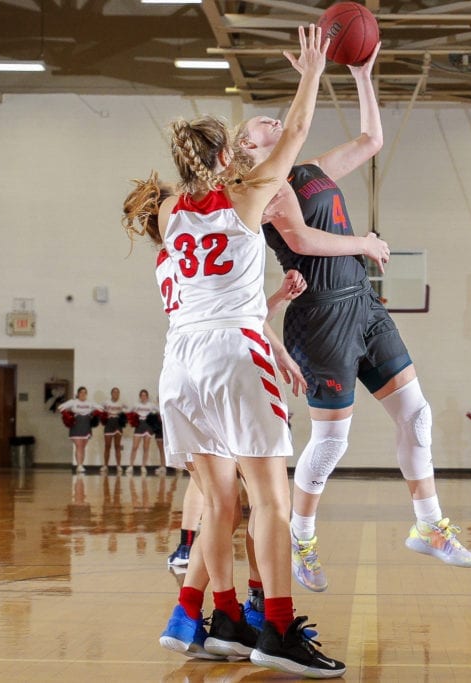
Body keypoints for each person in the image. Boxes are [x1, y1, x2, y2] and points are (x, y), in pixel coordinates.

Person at [125, 25, 345, 677]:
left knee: (218, 503)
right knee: (271, 500)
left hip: (179, 364)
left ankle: (221, 614)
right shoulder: (246, 196)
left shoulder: (167, 218)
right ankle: (276, 626)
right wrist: (311, 71)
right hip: (233, 352)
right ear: (225, 158)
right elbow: (297, 133)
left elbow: (166, 199)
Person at [236, 41, 471, 596]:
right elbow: (299, 238)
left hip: (363, 305)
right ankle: (302, 536)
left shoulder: (311, 168)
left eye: (277, 117)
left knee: (417, 415)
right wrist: (364, 243)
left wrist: (362, 75)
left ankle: (428, 525)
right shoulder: (263, 186)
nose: (275, 120)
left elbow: (373, 140)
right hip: (319, 316)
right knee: (333, 440)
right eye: (262, 123)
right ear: (247, 148)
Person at [57, 387, 102, 474]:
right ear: (78, 394)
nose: (83, 394)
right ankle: (79, 465)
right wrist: (67, 416)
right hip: (76, 425)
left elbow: (100, 408)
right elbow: (60, 407)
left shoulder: (90, 403)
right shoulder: (73, 402)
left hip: (86, 425)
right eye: (81, 392)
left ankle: (81, 464)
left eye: (85, 392)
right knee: (79, 446)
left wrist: (94, 414)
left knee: (83, 446)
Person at [129, 389, 160, 475]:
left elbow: (159, 411)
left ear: (147, 396)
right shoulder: (136, 405)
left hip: (147, 426)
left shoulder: (151, 405)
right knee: (134, 447)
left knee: (146, 447)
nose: (143, 397)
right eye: (142, 395)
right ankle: (131, 466)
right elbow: (129, 412)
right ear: (140, 396)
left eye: (145, 395)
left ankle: (143, 466)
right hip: (139, 426)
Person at [101, 387, 128, 473]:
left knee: (117, 446)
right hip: (109, 423)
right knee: (107, 446)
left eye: (117, 392)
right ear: (111, 393)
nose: (116, 394)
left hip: (117, 424)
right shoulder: (106, 402)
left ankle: (118, 466)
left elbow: (128, 410)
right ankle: (105, 465)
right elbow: (99, 408)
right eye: (114, 392)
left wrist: (123, 414)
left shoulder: (122, 403)